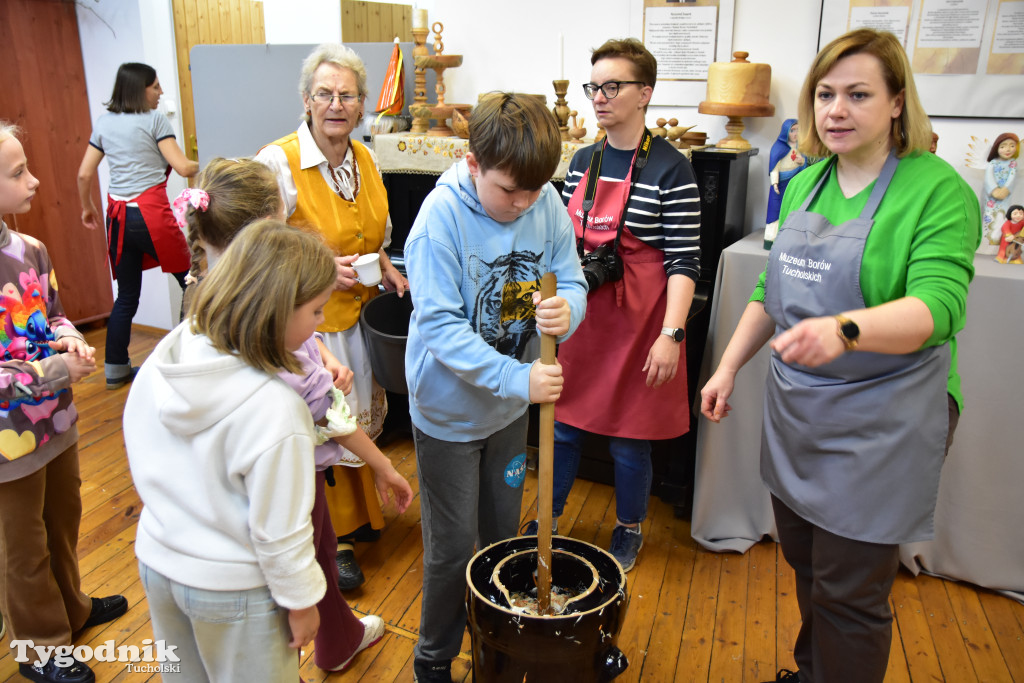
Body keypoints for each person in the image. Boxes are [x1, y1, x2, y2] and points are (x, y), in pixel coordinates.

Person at [700, 28, 980, 683]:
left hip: (889, 416)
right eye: (825, 94)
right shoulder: (804, 185)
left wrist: (845, 329)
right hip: (803, 412)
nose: (836, 110)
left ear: (895, 103)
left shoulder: (936, 191)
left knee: (851, 593)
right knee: (808, 565)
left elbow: (940, 309)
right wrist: (727, 365)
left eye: (858, 94)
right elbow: (772, 290)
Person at [178, 157, 414, 671]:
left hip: (214, 491)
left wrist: (322, 354)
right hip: (283, 478)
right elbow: (332, 416)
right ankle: (324, 638)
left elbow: (308, 362)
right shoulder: (273, 330)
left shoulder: (208, 301)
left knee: (321, 547)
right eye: (313, 316)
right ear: (264, 234)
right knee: (308, 554)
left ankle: (339, 633)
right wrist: (385, 466)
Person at [403, 92, 587, 683]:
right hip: (450, 417)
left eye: (535, 191)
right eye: (510, 191)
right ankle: (434, 657)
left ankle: (496, 647)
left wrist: (567, 310)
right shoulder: (439, 222)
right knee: (453, 548)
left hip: (512, 407)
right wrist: (518, 377)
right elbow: (441, 328)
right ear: (472, 162)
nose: (525, 204)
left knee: (501, 538)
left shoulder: (544, 199)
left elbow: (573, 277)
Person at [124, 219, 341, 681]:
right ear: (279, 310)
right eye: (317, 311)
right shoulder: (277, 410)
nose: (321, 325)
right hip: (234, 590)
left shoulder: (171, 352)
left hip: (159, 561)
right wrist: (302, 603)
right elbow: (280, 530)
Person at [534, 38, 701, 573]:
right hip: (586, 313)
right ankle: (547, 517)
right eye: (594, 87)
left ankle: (628, 529)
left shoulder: (672, 169)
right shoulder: (583, 159)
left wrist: (670, 336)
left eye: (613, 86)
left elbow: (684, 264)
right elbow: (563, 243)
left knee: (632, 440)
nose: (599, 98)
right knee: (563, 425)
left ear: (644, 93)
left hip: (641, 323)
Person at [255, 43, 409, 591]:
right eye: (325, 94)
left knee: (357, 415)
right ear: (306, 100)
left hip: (358, 316)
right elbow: (262, 246)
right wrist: (322, 269)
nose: (336, 104)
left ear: (363, 104)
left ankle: (361, 518)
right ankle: (330, 539)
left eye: (347, 95)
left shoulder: (365, 158)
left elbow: (375, 236)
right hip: (309, 325)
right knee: (323, 419)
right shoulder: (277, 161)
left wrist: (387, 269)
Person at [0, 122, 127, 683]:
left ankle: (70, 609)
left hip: (56, 422)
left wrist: (69, 334)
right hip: (7, 442)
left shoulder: (31, 249)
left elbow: (47, 314)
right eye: (17, 173)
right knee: (21, 547)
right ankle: (39, 644)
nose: (34, 180)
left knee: (62, 520)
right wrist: (55, 367)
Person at [76, 62, 198, 390]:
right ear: (139, 89)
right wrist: (214, 158)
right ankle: (192, 359)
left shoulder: (103, 123)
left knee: (127, 296)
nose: (160, 93)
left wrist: (88, 209)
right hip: (151, 216)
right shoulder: (155, 121)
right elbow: (183, 166)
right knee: (195, 282)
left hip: (117, 218)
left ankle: (115, 369)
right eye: (155, 86)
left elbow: (85, 174)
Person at [765, 118, 812, 248]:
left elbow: (804, 163)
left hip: (795, 181)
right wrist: (774, 183)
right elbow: (774, 166)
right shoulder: (778, 147)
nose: (795, 133)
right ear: (786, 132)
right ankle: (771, 238)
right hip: (781, 183)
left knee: (793, 208)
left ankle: (788, 237)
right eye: (792, 130)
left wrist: (801, 161)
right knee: (776, 210)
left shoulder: (800, 147)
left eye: (798, 130)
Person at [982, 132, 1019, 246]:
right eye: (1003, 146)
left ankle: (1001, 244)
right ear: (996, 148)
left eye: (1012, 146)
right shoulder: (992, 163)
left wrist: (1005, 190)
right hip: (992, 199)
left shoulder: (1013, 163)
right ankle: (986, 243)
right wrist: (994, 190)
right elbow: (989, 178)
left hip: (1005, 199)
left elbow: (1012, 178)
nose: (1008, 149)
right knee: (990, 217)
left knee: (1003, 218)